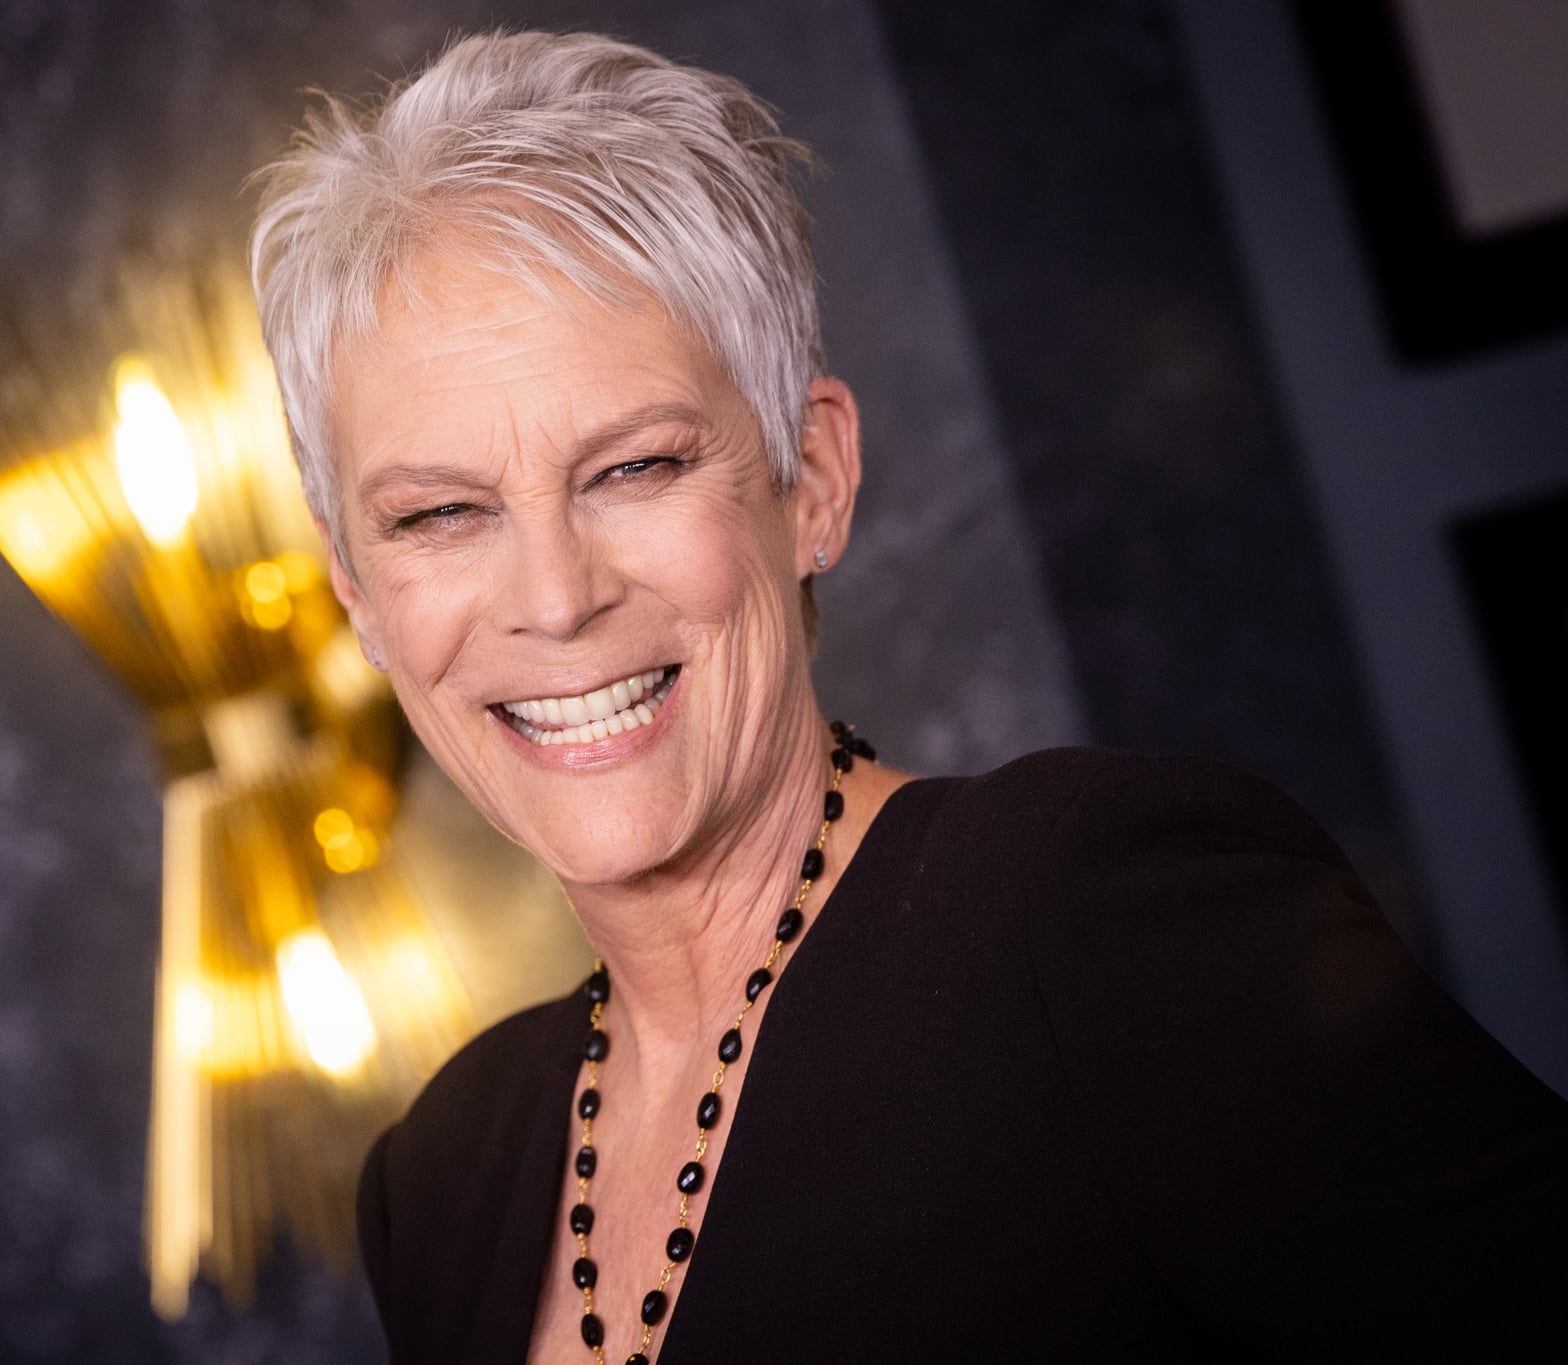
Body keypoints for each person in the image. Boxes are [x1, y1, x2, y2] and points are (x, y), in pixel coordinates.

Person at [249, 29, 1568, 1363]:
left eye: (636, 467)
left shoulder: (1098, 921)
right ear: (356, 591)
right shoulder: (440, 1182)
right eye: (439, 512)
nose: (554, 593)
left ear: (811, 478)